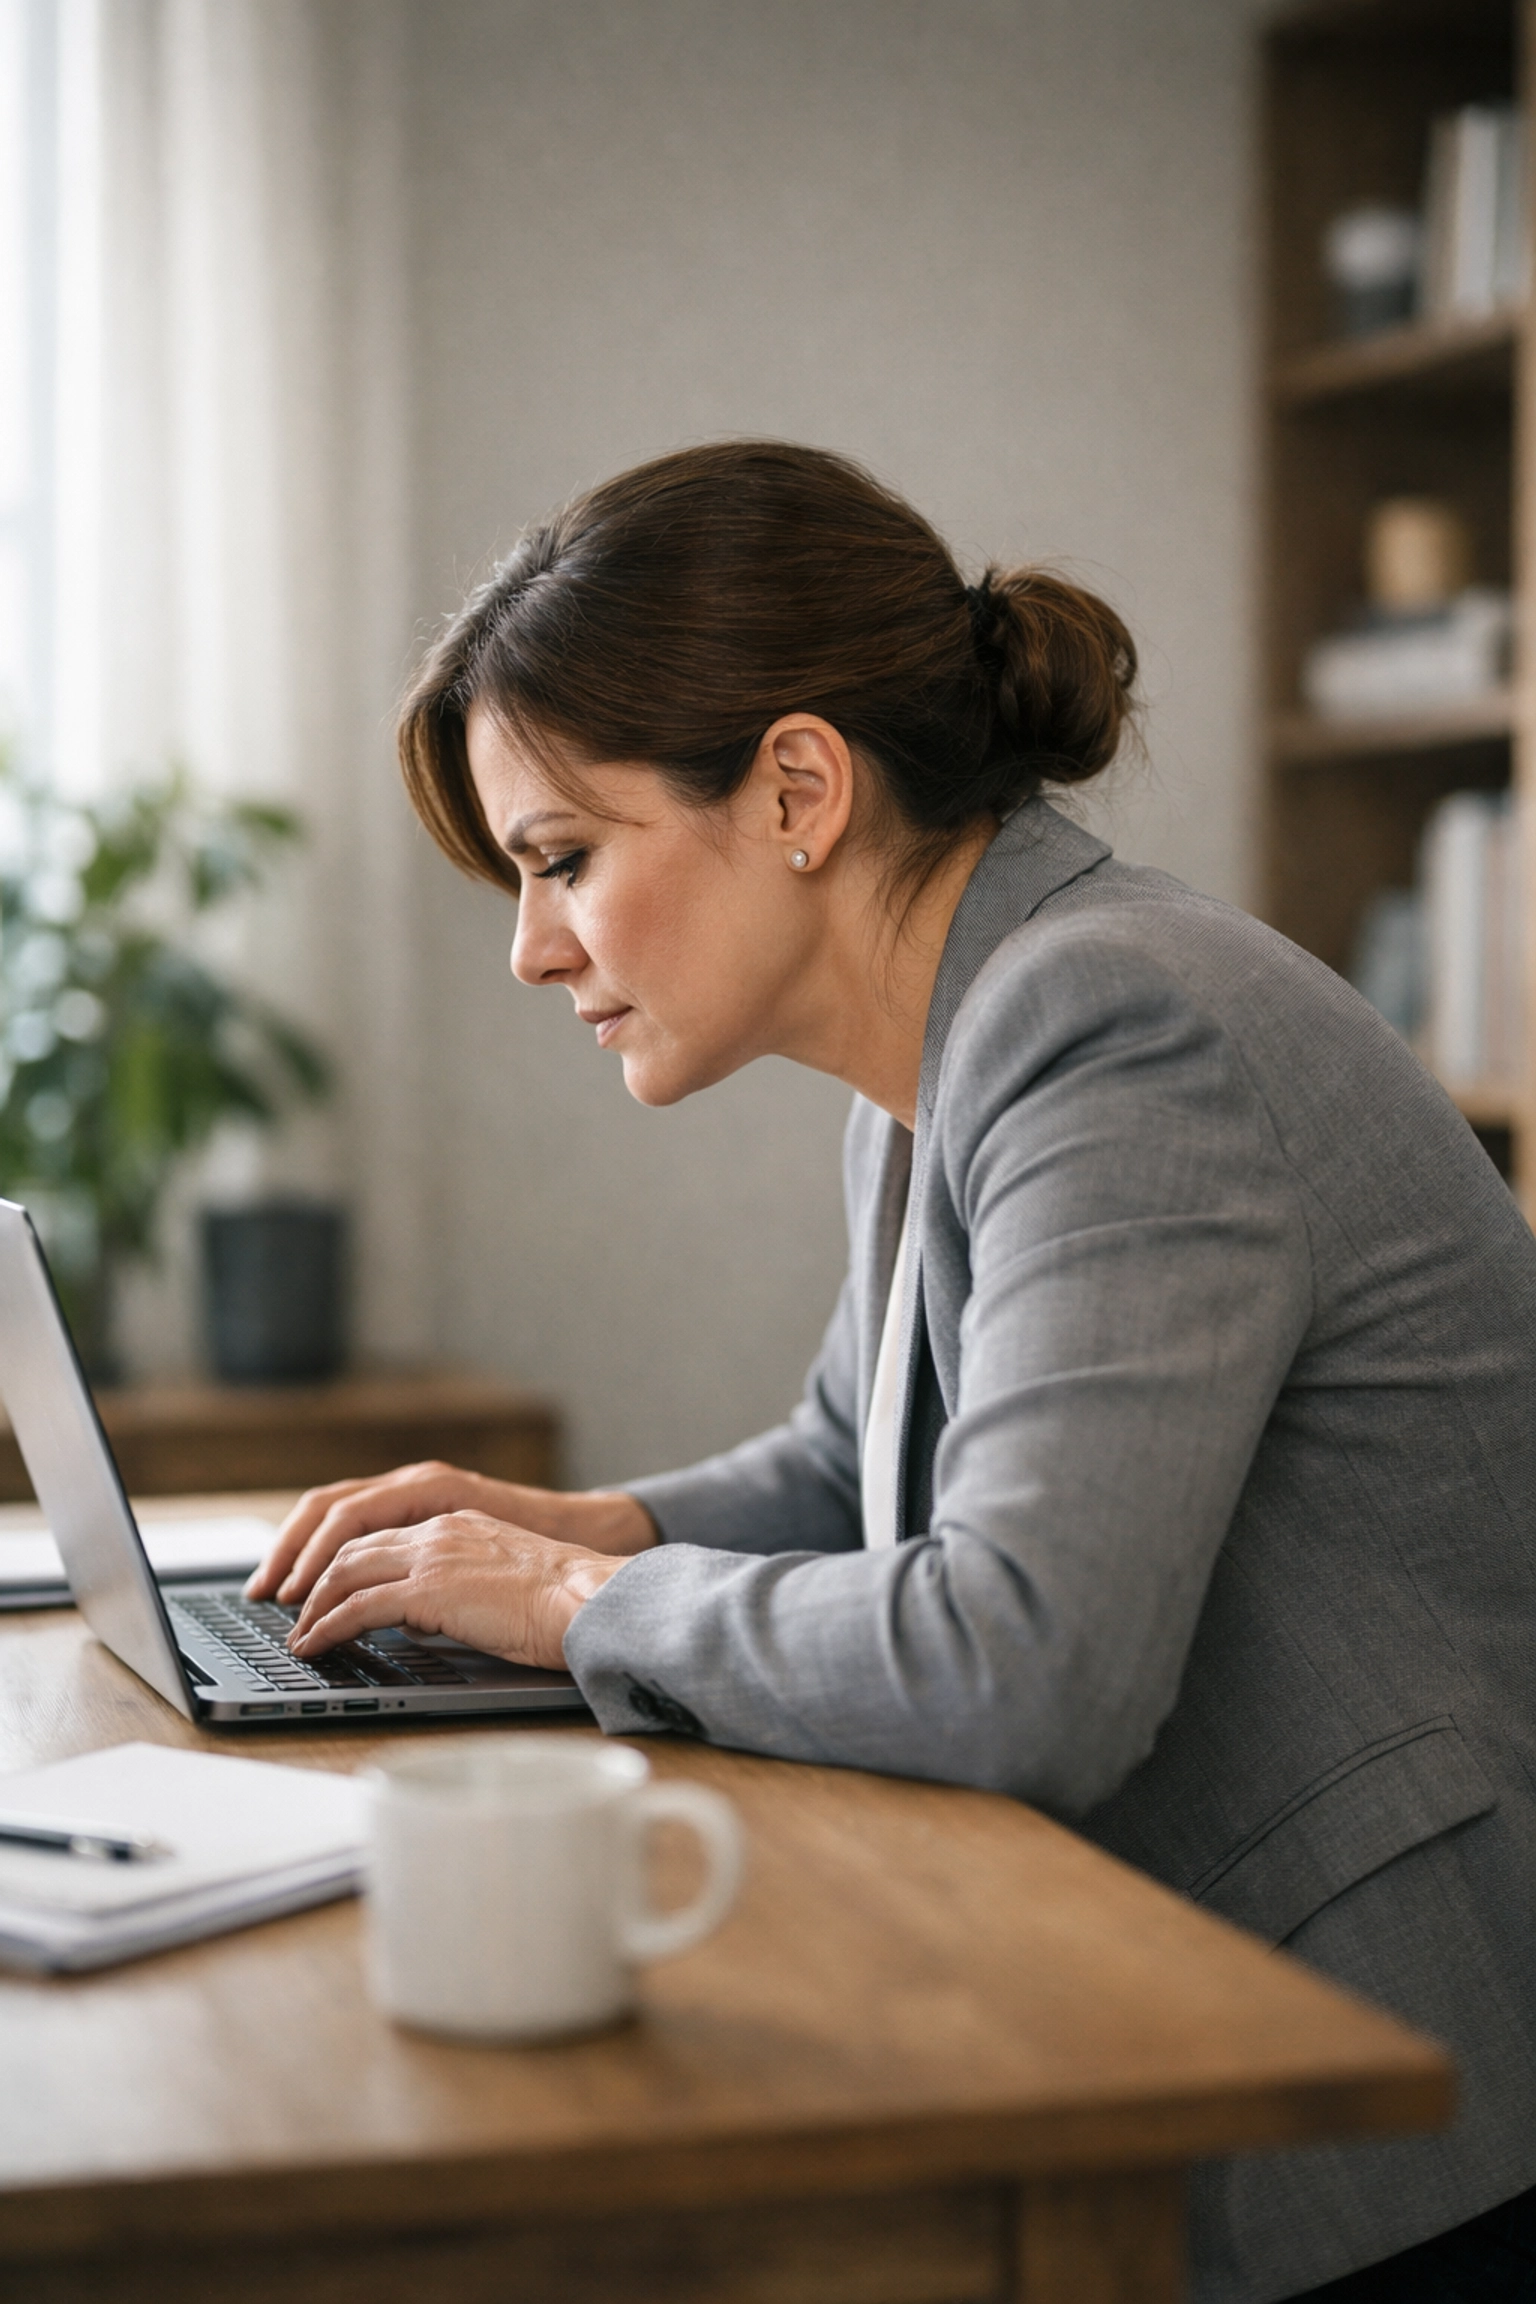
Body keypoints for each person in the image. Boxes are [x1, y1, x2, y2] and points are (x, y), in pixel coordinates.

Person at [248, 442, 1536, 2303]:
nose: (534, 950)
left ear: (795, 789)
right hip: (1182, 1976)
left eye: (563, 860)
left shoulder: (1116, 1023)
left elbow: (1026, 1666)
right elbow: (858, 1454)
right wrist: (567, 1529)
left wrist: (582, 1599)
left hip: (1390, 2074)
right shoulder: (951, 1044)